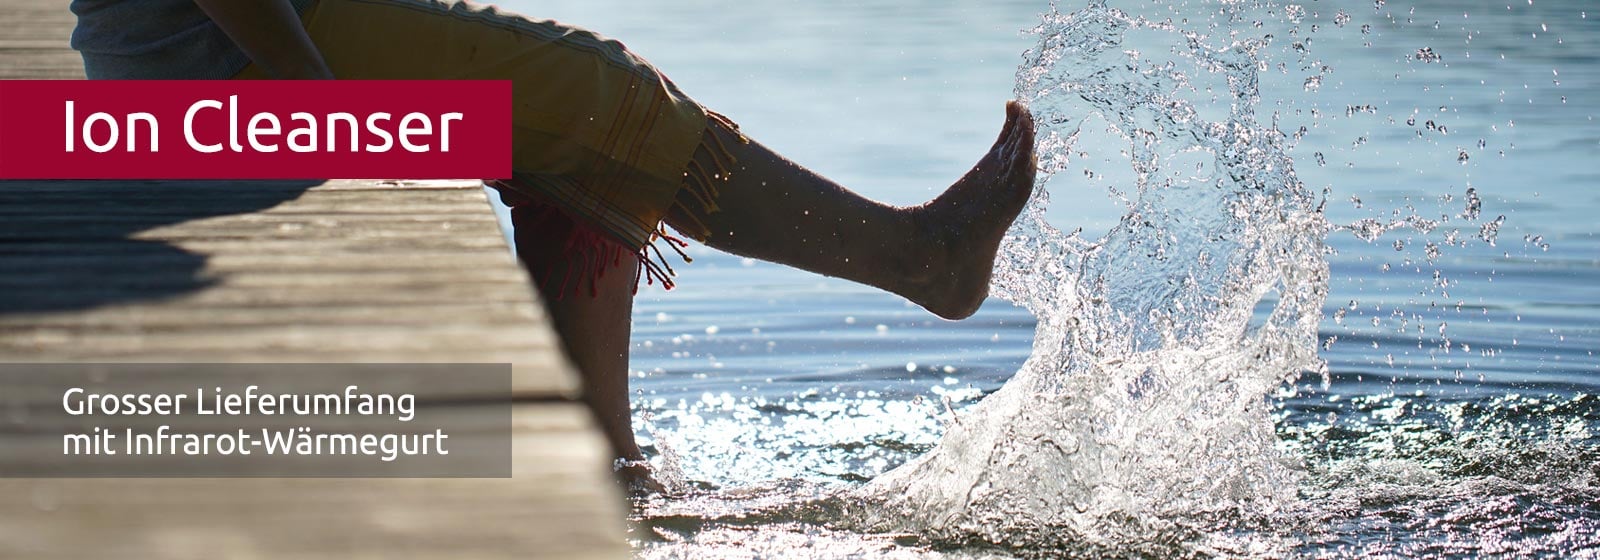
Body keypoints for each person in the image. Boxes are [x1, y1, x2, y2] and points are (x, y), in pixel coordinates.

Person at [69, 0, 1037, 489]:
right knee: (602, 100)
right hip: (222, 73)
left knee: (583, 161)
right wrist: (336, 115)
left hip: (221, 62)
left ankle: (604, 476)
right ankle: (917, 257)